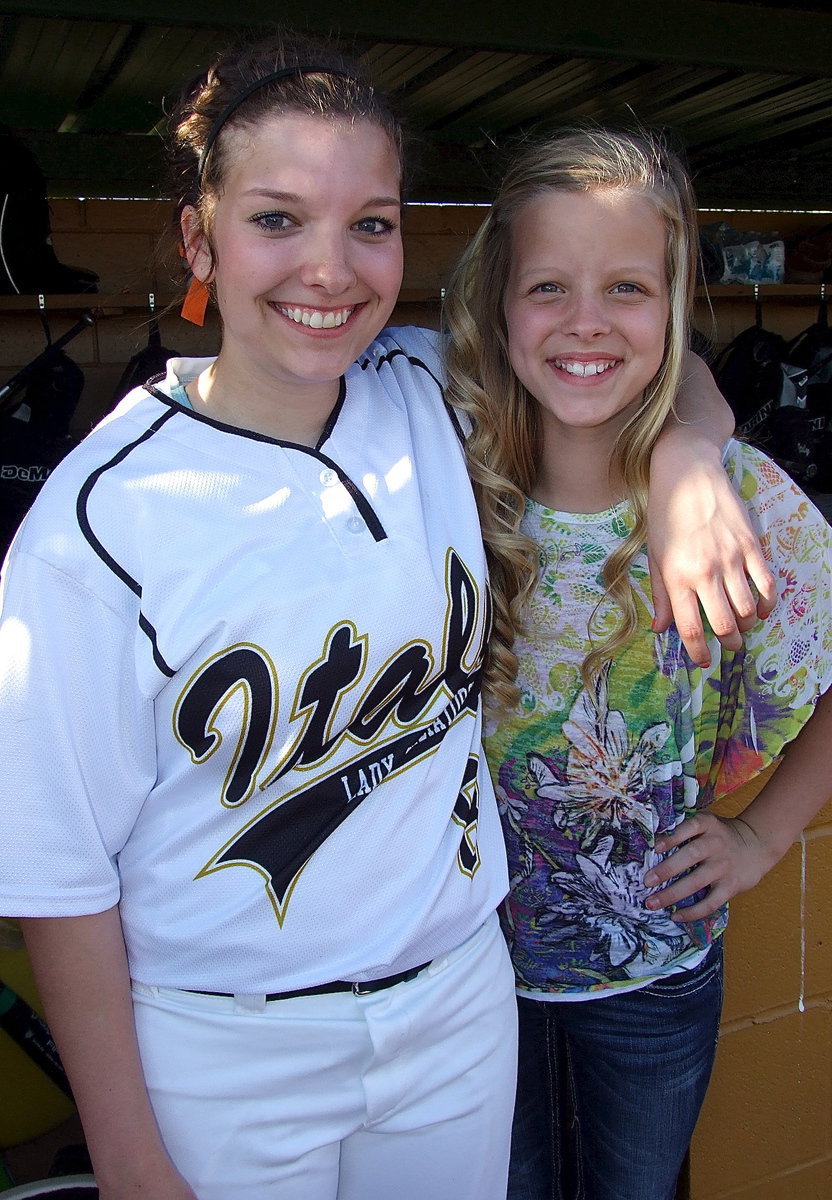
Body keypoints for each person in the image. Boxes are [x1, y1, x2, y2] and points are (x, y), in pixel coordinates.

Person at [0, 36, 771, 1200]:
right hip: (232, 1043)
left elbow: (639, 360)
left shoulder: (424, 388)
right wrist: (125, 1155)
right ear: (199, 238)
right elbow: (57, 875)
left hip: (458, 1002)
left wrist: (689, 455)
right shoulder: (98, 521)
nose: (329, 268)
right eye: (276, 219)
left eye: (370, 222)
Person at [443, 126, 832, 1200]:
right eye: (547, 286)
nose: (584, 322)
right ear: (496, 305)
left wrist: (760, 835)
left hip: (655, 968)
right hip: (462, 976)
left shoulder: (737, 499)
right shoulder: (440, 482)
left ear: (672, 302)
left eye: (625, 287)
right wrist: (687, 441)